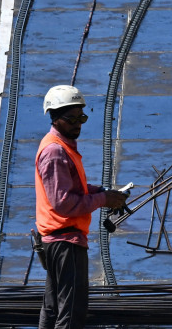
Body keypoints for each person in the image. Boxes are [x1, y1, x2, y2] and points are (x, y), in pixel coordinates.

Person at [35, 85, 128, 328]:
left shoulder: (60, 145)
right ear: (54, 118)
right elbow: (64, 203)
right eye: (71, 119)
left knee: (54, 308)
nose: (78, 124)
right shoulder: (55, 152)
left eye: (82, 118)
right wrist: (104, 200)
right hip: (65, 241)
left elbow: (71, 186)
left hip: (56, 240)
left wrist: (101, 192)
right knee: (71, 313)